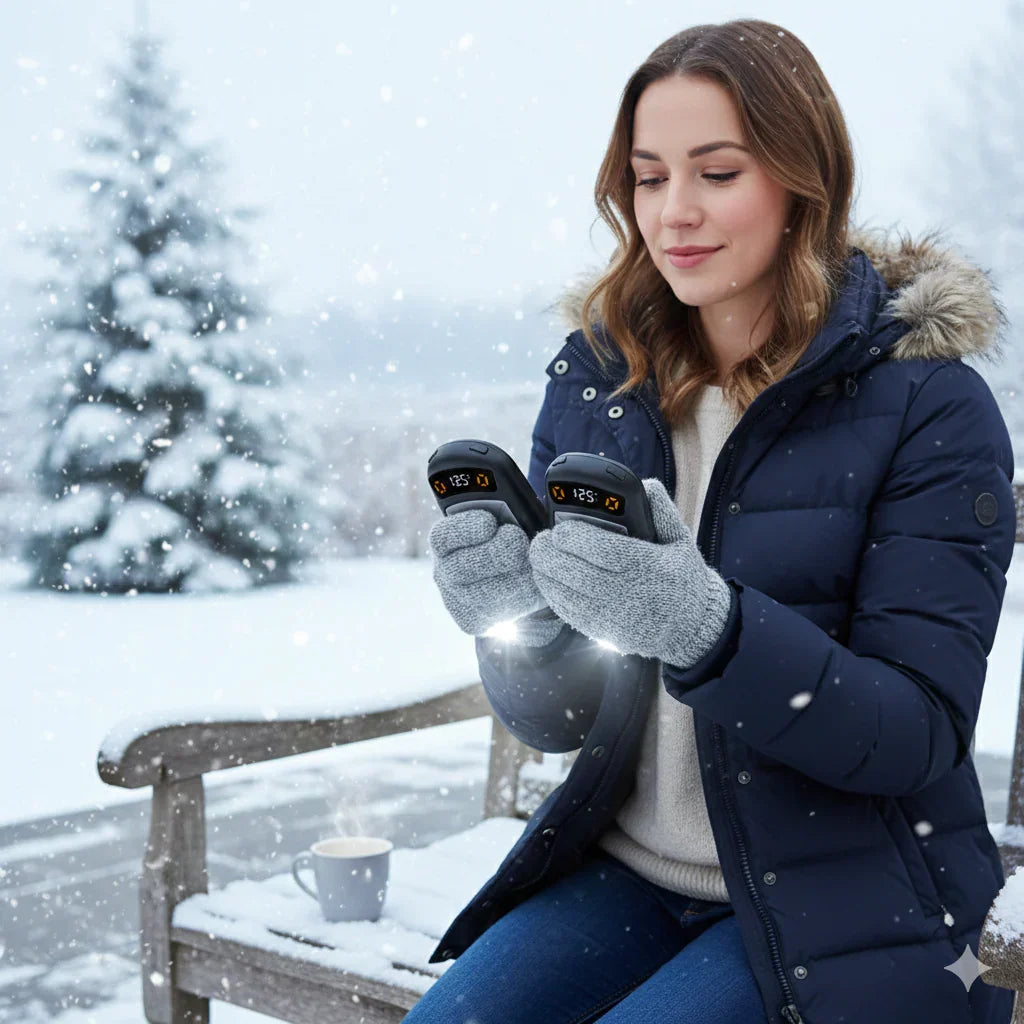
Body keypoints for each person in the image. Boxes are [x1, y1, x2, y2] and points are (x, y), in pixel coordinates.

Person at [413, 17, 1016, 1024]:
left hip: (851, 895)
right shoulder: (602, 383)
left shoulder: (927, 405)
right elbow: (558, 720)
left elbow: (915, 732)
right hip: (626, 874)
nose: (674, 212)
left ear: (801, 182)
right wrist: (515, 622)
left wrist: (712, 629)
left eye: (717, 172)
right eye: (649, 176)